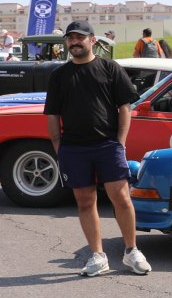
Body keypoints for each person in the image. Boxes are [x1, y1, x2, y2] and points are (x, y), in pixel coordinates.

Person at [44, 19, 151, 277]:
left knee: (121, 198)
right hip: (74, 147)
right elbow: (52, 113)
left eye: (80, 37)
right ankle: (97, 256)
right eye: (70, 38)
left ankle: (131, 251)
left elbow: (125, 108)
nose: (74, 42)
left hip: (107, 145)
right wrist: (58, 145)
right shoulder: (59, 75)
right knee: (85, 201)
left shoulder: (110, 68)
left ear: (93, 40)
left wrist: (120, 142)